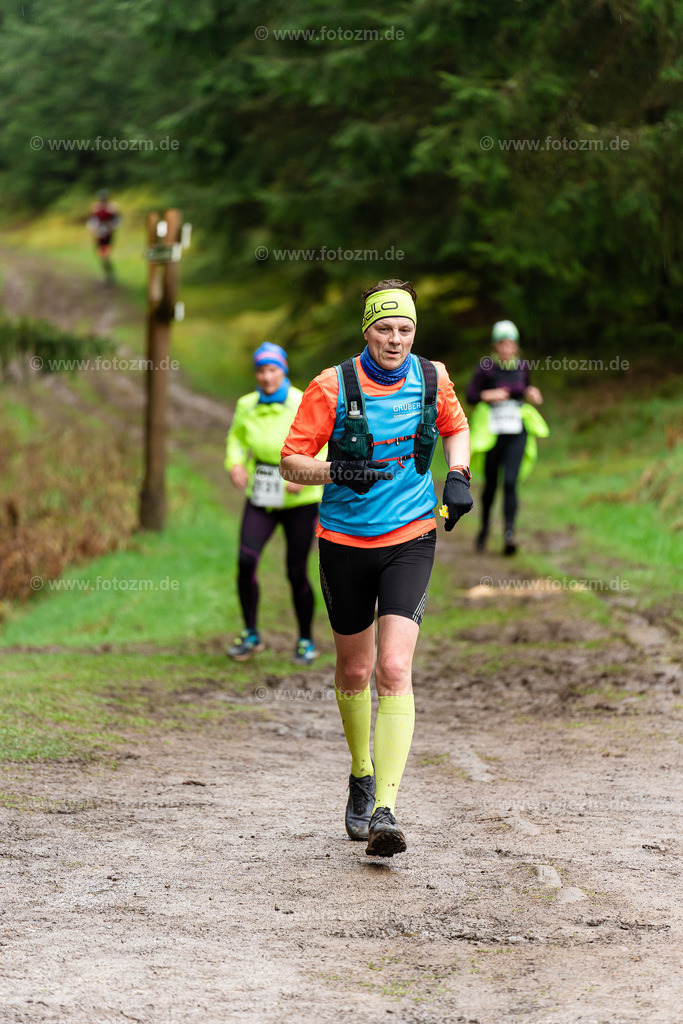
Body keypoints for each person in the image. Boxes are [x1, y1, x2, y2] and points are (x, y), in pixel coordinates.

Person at [280, 279, 472, 858]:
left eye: (405, 329)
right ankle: (361, 774)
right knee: (356, 669)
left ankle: (385, 809)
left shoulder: (432, 378)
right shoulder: (330, 385)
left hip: (410, 536)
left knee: (393, 667)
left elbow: (456, 428)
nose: (395, 339)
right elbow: (290, 462)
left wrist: (457, 475)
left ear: (415, 332)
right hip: (343, 542)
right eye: (384, 328)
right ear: (367, 331)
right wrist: (337, 470)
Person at [225, 342, 323, 665]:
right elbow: (236, 438)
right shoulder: (246, 404)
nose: (267, 377)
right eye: (261, 371)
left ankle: (306, 640)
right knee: (245, 561)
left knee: (296, 571)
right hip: (262, 492)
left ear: (283, 370)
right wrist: (235, 463)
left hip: (299, 499)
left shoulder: (302, 400)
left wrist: (307, 472)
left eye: (272, 370)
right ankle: (251, 634)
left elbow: (323, 439)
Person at [466, 320, 548, 555]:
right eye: (502, 343)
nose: (506, 348)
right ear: (495, 345)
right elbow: (471, 395)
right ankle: (484, 529)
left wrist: (532, 394)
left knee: (510, 482)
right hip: (493, 433)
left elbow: (526, 389)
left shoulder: (522, 366)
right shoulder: (486, 367)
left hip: (516, 431)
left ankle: (509, 534)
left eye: (510, 343)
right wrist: (488, 395)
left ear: (516, 345)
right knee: (491, 484)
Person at [87, 189, 121, 285]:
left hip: (108, 233)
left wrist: (112, 226)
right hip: (99, 234)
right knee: (101, 254)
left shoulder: (112, 208)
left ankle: (109, 273)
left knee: (105, 254)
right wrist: (93, 229)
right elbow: (92, 220)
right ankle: (108, 272)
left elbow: (117, 220)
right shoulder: (95, 208)